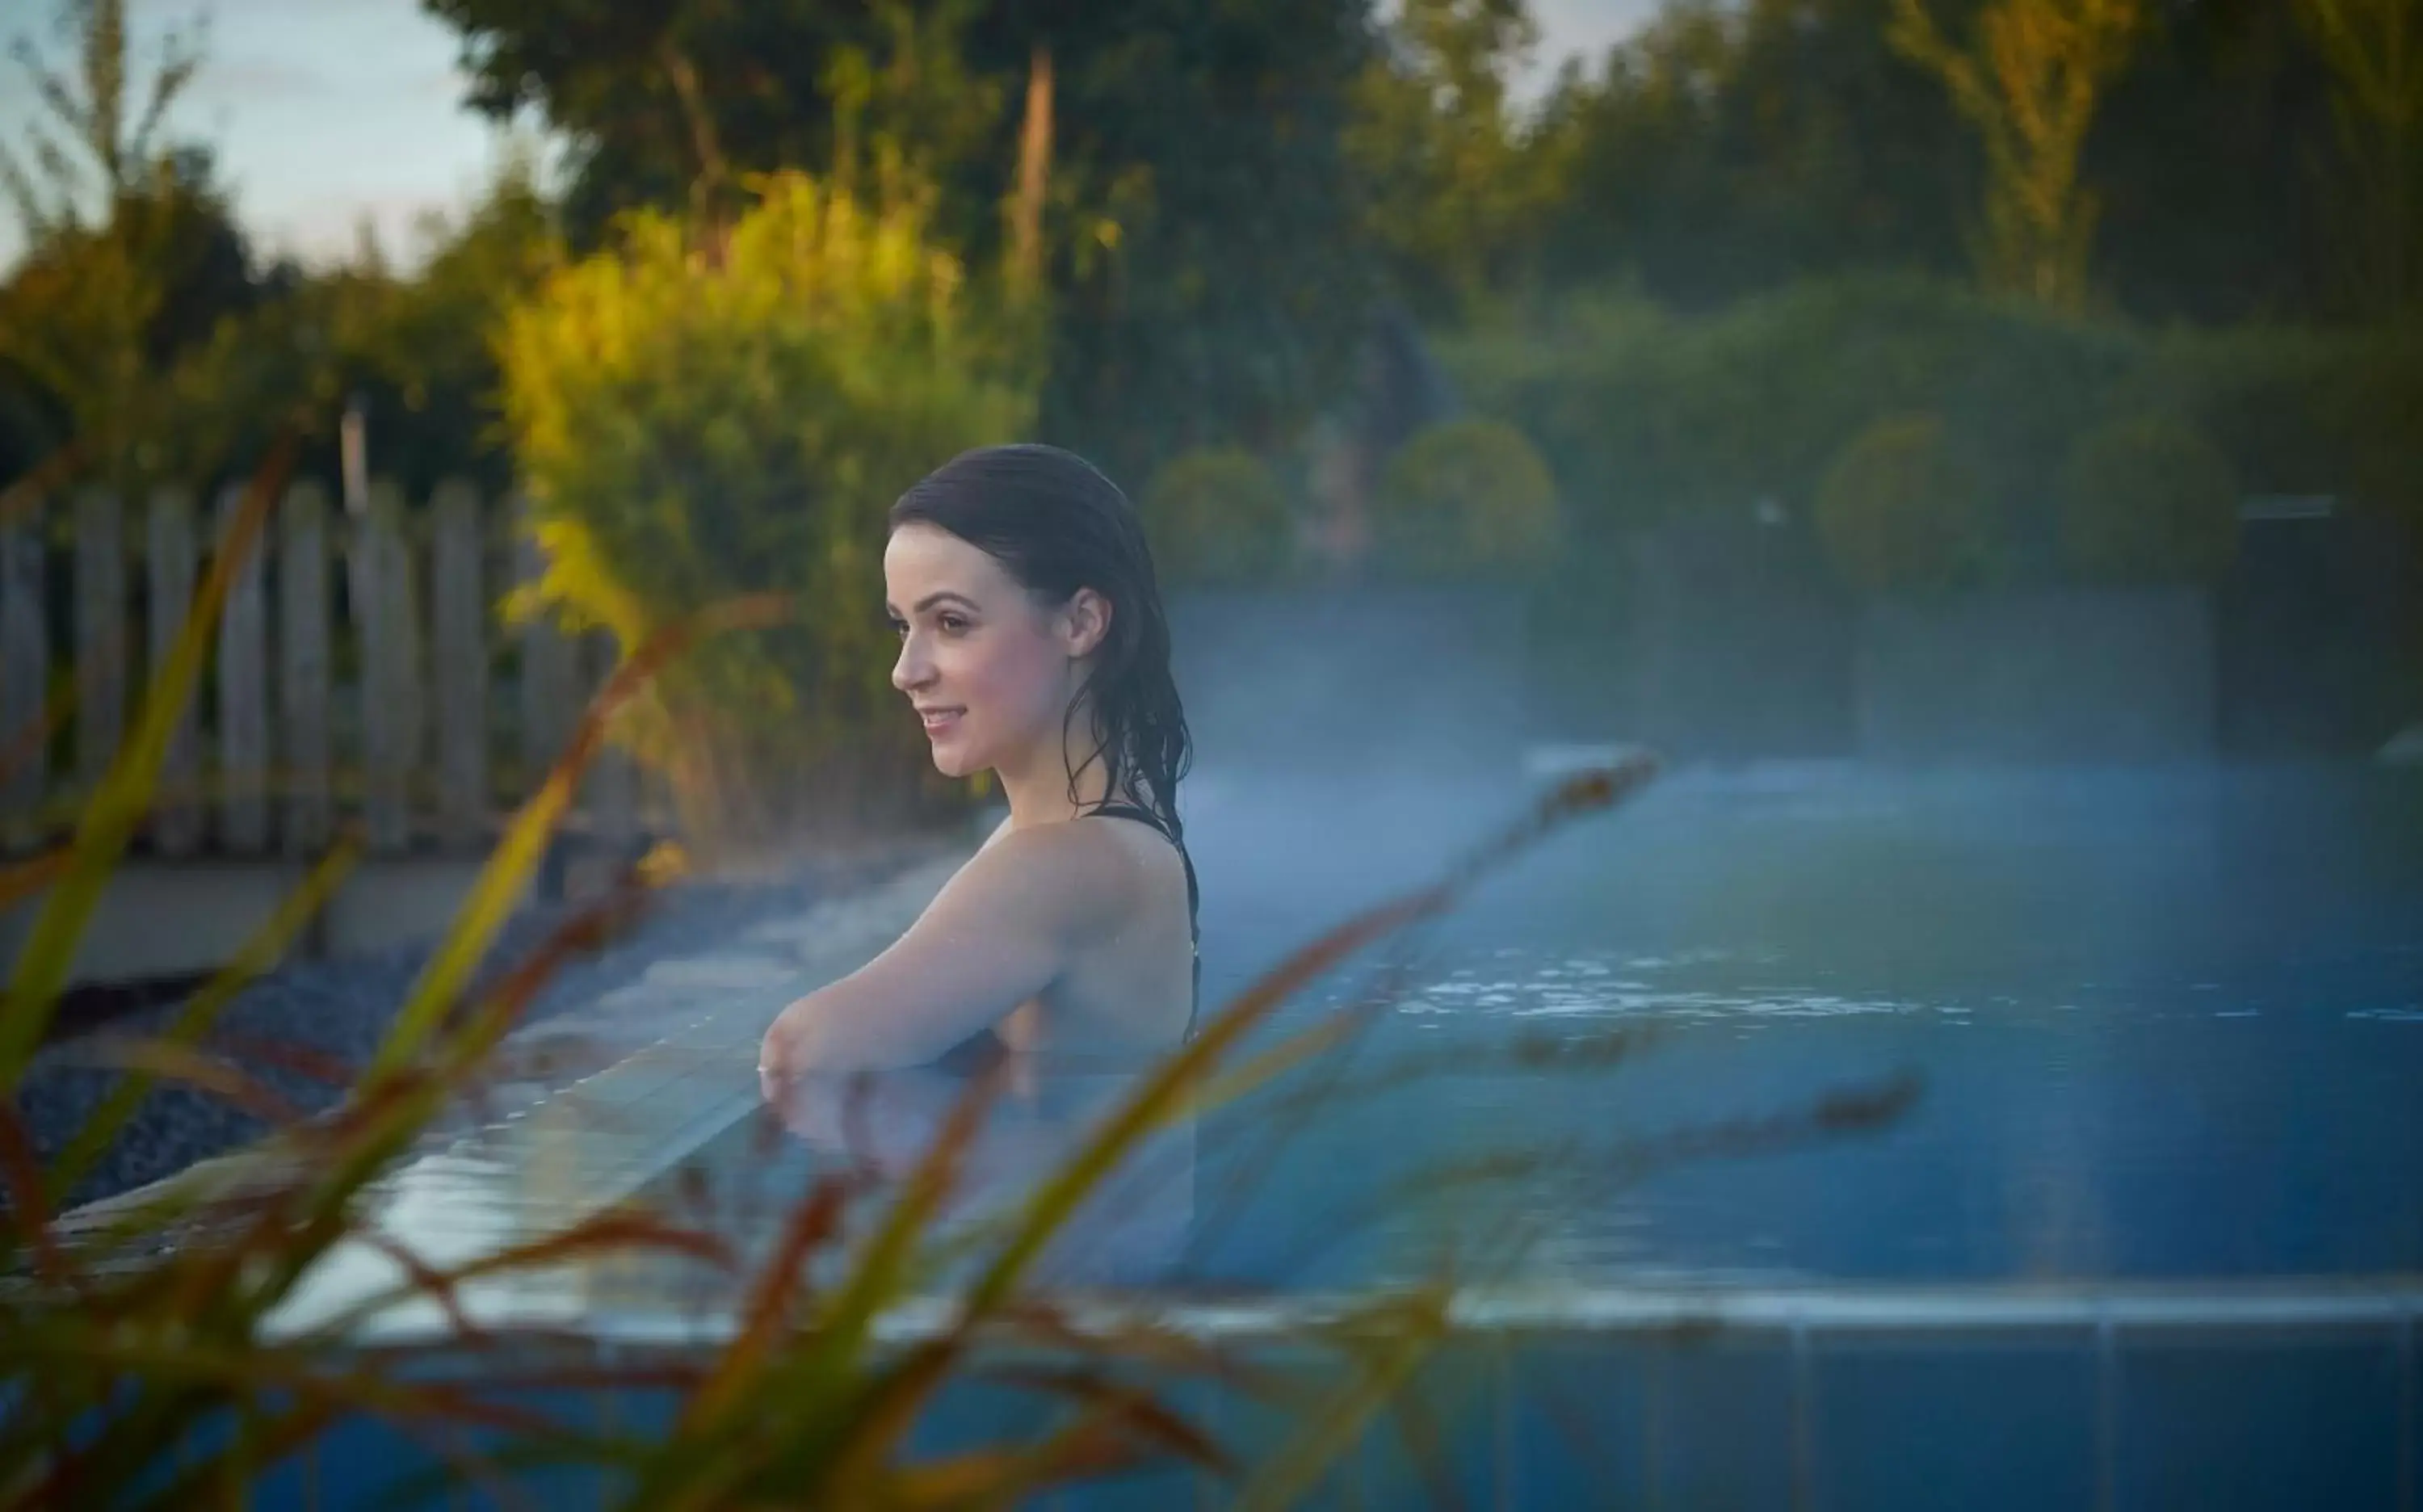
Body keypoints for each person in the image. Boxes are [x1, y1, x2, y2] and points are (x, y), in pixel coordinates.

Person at [758, 443, 1200, 1084]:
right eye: (902, 628)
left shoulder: (1065, 864)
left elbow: (799, 1053)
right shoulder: (1099, 834)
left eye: (952, 622)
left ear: (1081, 623)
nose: (906, 672)